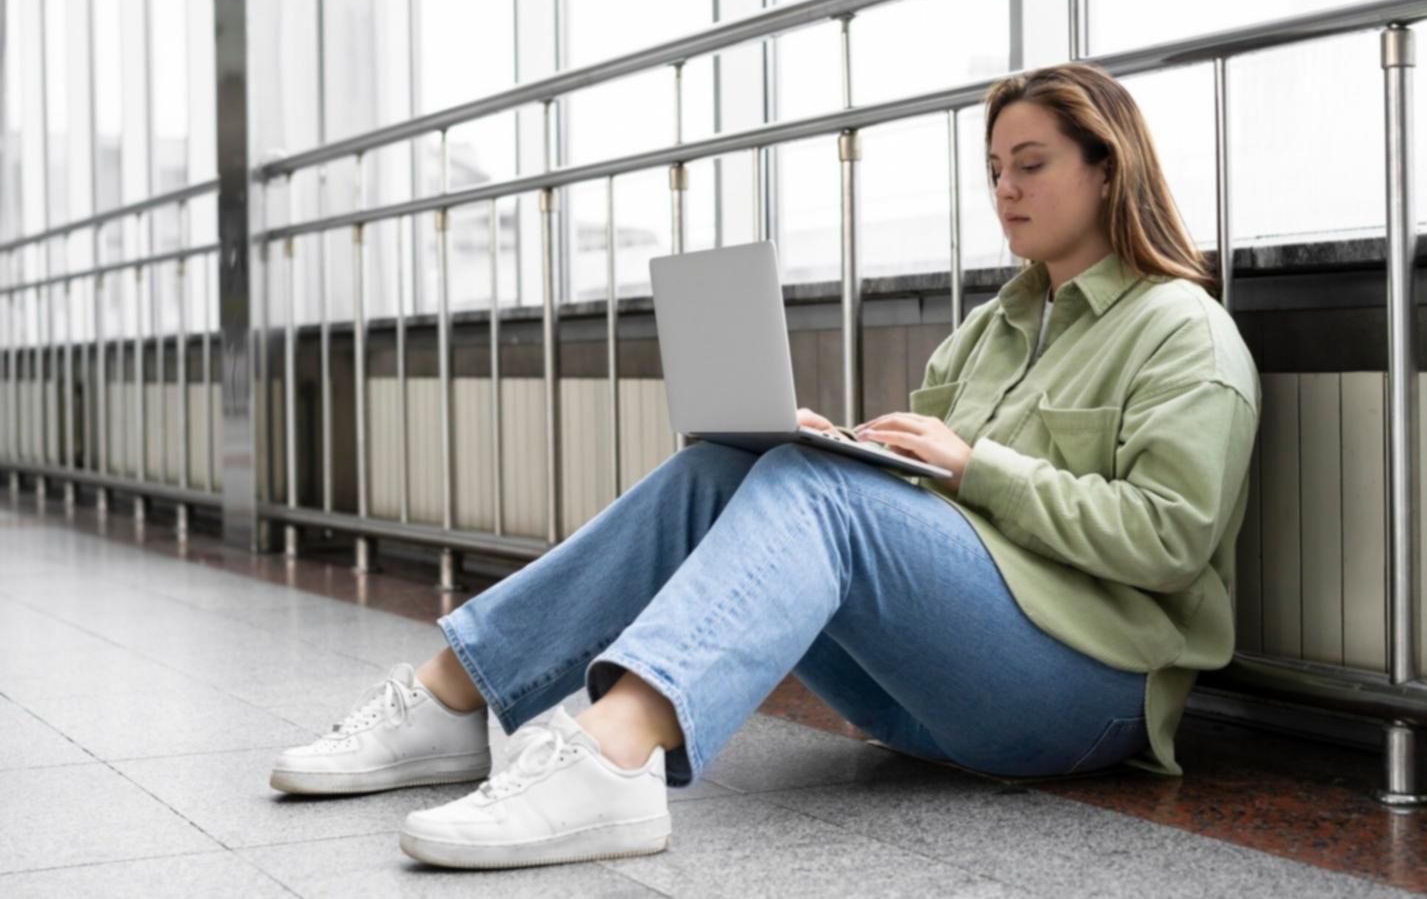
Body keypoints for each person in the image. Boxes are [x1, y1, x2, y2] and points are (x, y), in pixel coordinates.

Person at [270, 62, 1260, 871]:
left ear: (1105, 167)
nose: (1004, 189)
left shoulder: (1182, 333)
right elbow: (921, 520)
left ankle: (615, 757)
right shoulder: (987, 332)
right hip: (932, 686)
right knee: (725, 475)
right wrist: (837, 452)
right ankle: (458, 695)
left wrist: (975, 469)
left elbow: (1169, 542)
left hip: (1085, 692)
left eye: (1031, 163)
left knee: (819, 498)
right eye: (993, 167)